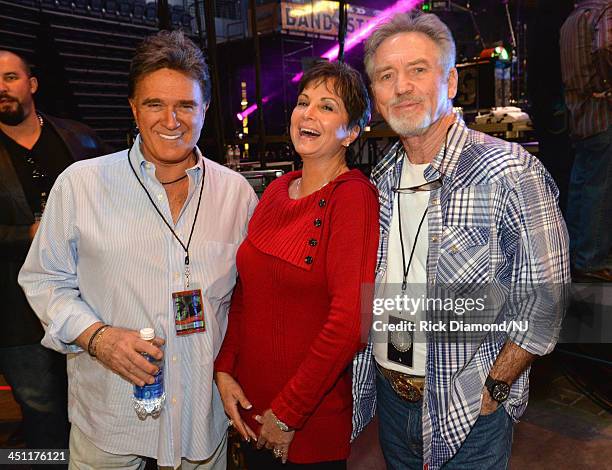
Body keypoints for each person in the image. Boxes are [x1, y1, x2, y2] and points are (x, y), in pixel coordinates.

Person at [19, 30, 257, 469]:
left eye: (185, 104)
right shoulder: (81, 184)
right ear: (133, 108)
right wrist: (98, 338)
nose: (171, 119)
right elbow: (42, 279)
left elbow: (249, 300)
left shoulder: (237, 194)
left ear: (205, 109)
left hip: (200, 419)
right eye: (154, 104)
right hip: (111, 416)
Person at [352, 12, 570, 470]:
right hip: (393, 401)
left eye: (418, 70)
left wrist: (494, 388)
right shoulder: (381, 176)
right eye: (386, 75)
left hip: (469, 406)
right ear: (375, 93)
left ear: (450, 81)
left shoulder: (509, 172)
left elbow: (545, 300)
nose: (402, 87)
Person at [214, 61, 379, 469]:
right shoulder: (273, 191)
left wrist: (288, 413)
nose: (308, 113)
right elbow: (245, 294)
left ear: (352, 131)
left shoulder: (353, 197)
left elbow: (349, 324)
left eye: (327, 107)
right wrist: (224, 370)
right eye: (303, 102)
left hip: (306, 427)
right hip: (251, 410)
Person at [0, 49, 107, 458]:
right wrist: (26, 233)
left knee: (98, 410)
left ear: (32, 84)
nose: (2, 88)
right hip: (17, 314)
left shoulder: (79, 137)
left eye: (11, 77)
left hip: (92, 300)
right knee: (43, 417)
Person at [560, 0, 611, 282]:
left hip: (579, 113)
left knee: (581, 184)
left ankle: (576, 254)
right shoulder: (605, 11)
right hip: (603, 111)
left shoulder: (572, 18)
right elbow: (606, 46)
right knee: (599, 187)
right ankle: (592, 258)